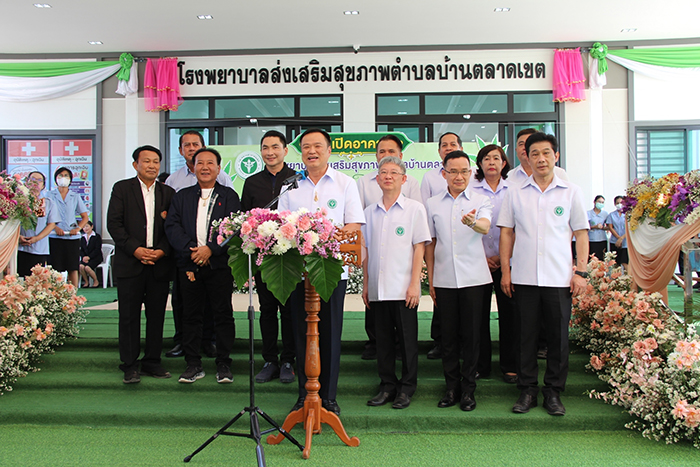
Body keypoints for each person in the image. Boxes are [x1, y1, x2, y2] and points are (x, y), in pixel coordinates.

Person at [498, 132, 589, 417]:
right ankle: (527, 390)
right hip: (524, 277)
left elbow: (581, 234)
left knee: (558, 338)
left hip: (559, 278)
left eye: (546, 153)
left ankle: (553, 392)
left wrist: (581, 272)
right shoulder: (515, 191)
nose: (540, 159)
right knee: (524, 337)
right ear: (526, 156)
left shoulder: (571, 191)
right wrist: (505, 271)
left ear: (556, 156)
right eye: (534, 153)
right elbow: (506, 233)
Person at [278, 128, 365, 416]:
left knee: (329, 334)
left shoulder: (345, 183)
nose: (311, 151)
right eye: (306, 147)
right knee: (301, 333)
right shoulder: (290, 186)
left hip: (331, 272)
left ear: (329, 151)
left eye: (317, 146)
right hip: (298, 272)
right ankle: (304, 395)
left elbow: (354, 224)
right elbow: (281, 226)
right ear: (300, 153)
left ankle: (328, 397)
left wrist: (325, 238)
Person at [164, 147, 240, 384]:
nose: (205, 167)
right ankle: (193, 364)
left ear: (218, 168)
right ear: (193, 167)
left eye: (210, 163)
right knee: (190, 316)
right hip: (190, 265)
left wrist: (211, 249)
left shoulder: (229, 196)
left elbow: (233, 228)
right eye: (200, 163)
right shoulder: (182, 196)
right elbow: (172, 227)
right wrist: (193, 251)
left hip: (219, 266)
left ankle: (224, 363)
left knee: (223, 314)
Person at [425, 150, 493, 411]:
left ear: (471, 173)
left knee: (472, 337)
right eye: (453, 171)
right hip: (444, 279)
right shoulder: (432, 204)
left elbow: (485, 226)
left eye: (464, 171)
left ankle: (468, 390)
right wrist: (431, 279)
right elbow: (431, 243)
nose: (459, 176)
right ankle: (451, 388)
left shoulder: (481, 200)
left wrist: (473, 223)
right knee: (449, 338)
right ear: (444, 174)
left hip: (475, 279)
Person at [362, 156, 431, 410]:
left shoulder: (414, 209)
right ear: (377, 179)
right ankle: (387, 386)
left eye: (393, 172)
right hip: (378, 289)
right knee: (383, 342)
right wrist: (366, 285)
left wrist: (415, 284)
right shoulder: (369, 212)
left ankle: (407, 388)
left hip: (403, 289)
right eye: (383, 172)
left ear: (404, 179)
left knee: (407, 341)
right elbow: (366, 252)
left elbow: (419, 248)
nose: (388, 176)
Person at [107, 145, 175, 384]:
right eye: (146, 161)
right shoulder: (122, 189)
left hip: (158, 264)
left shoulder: (168, 192)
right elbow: (114, 224)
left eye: (156, 161)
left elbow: (173, 226)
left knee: (156, 316)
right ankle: (129, 365)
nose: (152, 165)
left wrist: (161, 251)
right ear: (135, 164)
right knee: (128, 316)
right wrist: (135, 249)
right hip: (130, 263)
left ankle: (152, 362)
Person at [356, 134, 422, 361]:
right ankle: (377, 350)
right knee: (378, 322)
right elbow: (362, 230)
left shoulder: (412, 189)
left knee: (405, 329)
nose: (388, 176)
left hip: (401, 263)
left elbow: (418, 237)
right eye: (381, 151)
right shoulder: (365, 185)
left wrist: (416, 282)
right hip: (375, 258)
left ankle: (404, 371)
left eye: (391, 151)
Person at [240, 130, 297, 384]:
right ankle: (270, 360)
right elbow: (245, 218)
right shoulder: (252, 182)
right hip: (263, 256)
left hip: (290, 256)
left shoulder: (297, 179)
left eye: (275, 147)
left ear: (285, 150)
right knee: (267, 310)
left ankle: (289, 360)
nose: (270, 152)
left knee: (290, 310)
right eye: (265, 147)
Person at [470, 144, 518, 384]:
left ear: (504, 163)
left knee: (510, 315)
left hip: (507, 262)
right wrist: (483, 257)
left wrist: (501, 258)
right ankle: (481, 365)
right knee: (478, 317)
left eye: (496, 158)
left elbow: (518, 227)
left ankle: (510, 365)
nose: (491, 162)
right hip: (478, 261)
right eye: (486, 158)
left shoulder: (514, 190)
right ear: (479, 164)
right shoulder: (470, 191)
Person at [420, 132, 464, 360]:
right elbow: (425, 211)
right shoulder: (429, 177)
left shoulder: (470, 175)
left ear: (460, 148)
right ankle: (439, 341)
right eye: (444, 145)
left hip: (466, 249)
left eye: (452, 144)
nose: (448, 147)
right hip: (441, 246)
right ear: (438, 151)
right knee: (441, 301)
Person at [47, 167, 89, 288]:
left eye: (66, 176)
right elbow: (46, 215)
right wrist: (55, 228)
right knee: (55, 268)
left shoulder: (75, 196)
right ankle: (55, 294)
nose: (63, 178)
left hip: (72, 238)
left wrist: (77, 229)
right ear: (56, 179)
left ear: (70, 179)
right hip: (54, 237)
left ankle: (73, 294)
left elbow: (85, 217)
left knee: (72, 267)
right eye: (60, 175)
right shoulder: (49, 195)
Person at [17, 171, 60, 277]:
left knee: (36, 280)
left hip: (39, 248)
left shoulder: (48, 203)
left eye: (39, 180)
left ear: (43, 185)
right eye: (33, 179)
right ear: (26, 182)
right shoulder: (18, 201)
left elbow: (51, 224)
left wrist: (36, 238)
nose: (35, 182)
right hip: (19, 247)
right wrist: (18, 237)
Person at [606, 196, 628, 271]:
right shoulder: (611, 215)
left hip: (626, 242)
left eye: (621, 203)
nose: (619, 205)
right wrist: (618, 238)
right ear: (615, 204)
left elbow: (630, 229)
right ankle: (616, 277)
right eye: (617, 203)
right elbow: (611, 227)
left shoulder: (628, 214)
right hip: (614, 241)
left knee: (625, 262)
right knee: (615, 262)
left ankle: (628, 277)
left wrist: (622, 238)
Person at [79, 221, 103, 287]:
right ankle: (86, 282)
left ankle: (96, 281)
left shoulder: (96, 236)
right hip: (85, 258)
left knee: (87, 268)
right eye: (83, 227)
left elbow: (97, 249)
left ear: (91, 226)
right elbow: (81, 250)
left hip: (95, 257)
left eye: (87, 226)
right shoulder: (82, 237)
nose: (85, 228)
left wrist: (89, 257)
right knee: (81, 266)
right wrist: (84, 257)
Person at [588, 195, 609, 261]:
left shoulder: (605, 214)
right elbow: (585, 226)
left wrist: (602, 227)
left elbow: (609, 227)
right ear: (594, 202)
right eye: (599, 202)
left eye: (602, 202)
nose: (601, 204)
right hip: (591, 239)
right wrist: (595, 227)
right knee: (592, 259)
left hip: (602, 239)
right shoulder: (588, 213)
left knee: (601, 259)